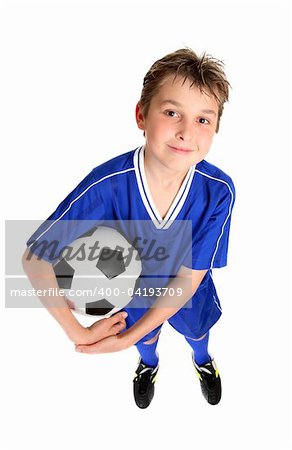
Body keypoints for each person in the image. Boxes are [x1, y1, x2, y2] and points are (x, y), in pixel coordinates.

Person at [22, 47, 236, 409]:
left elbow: (190, 277)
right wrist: (79, 332)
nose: (186, 132)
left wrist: (122, 339)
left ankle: (202, 360)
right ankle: (147, 365)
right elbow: (35, 258)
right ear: (141, 115)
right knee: (146, 339)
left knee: (198, 331)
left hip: (189, 288)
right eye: (171, 112)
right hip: (135, 289)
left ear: (216, 128)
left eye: (203, 119)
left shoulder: (218, 192)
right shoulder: (107, 185)